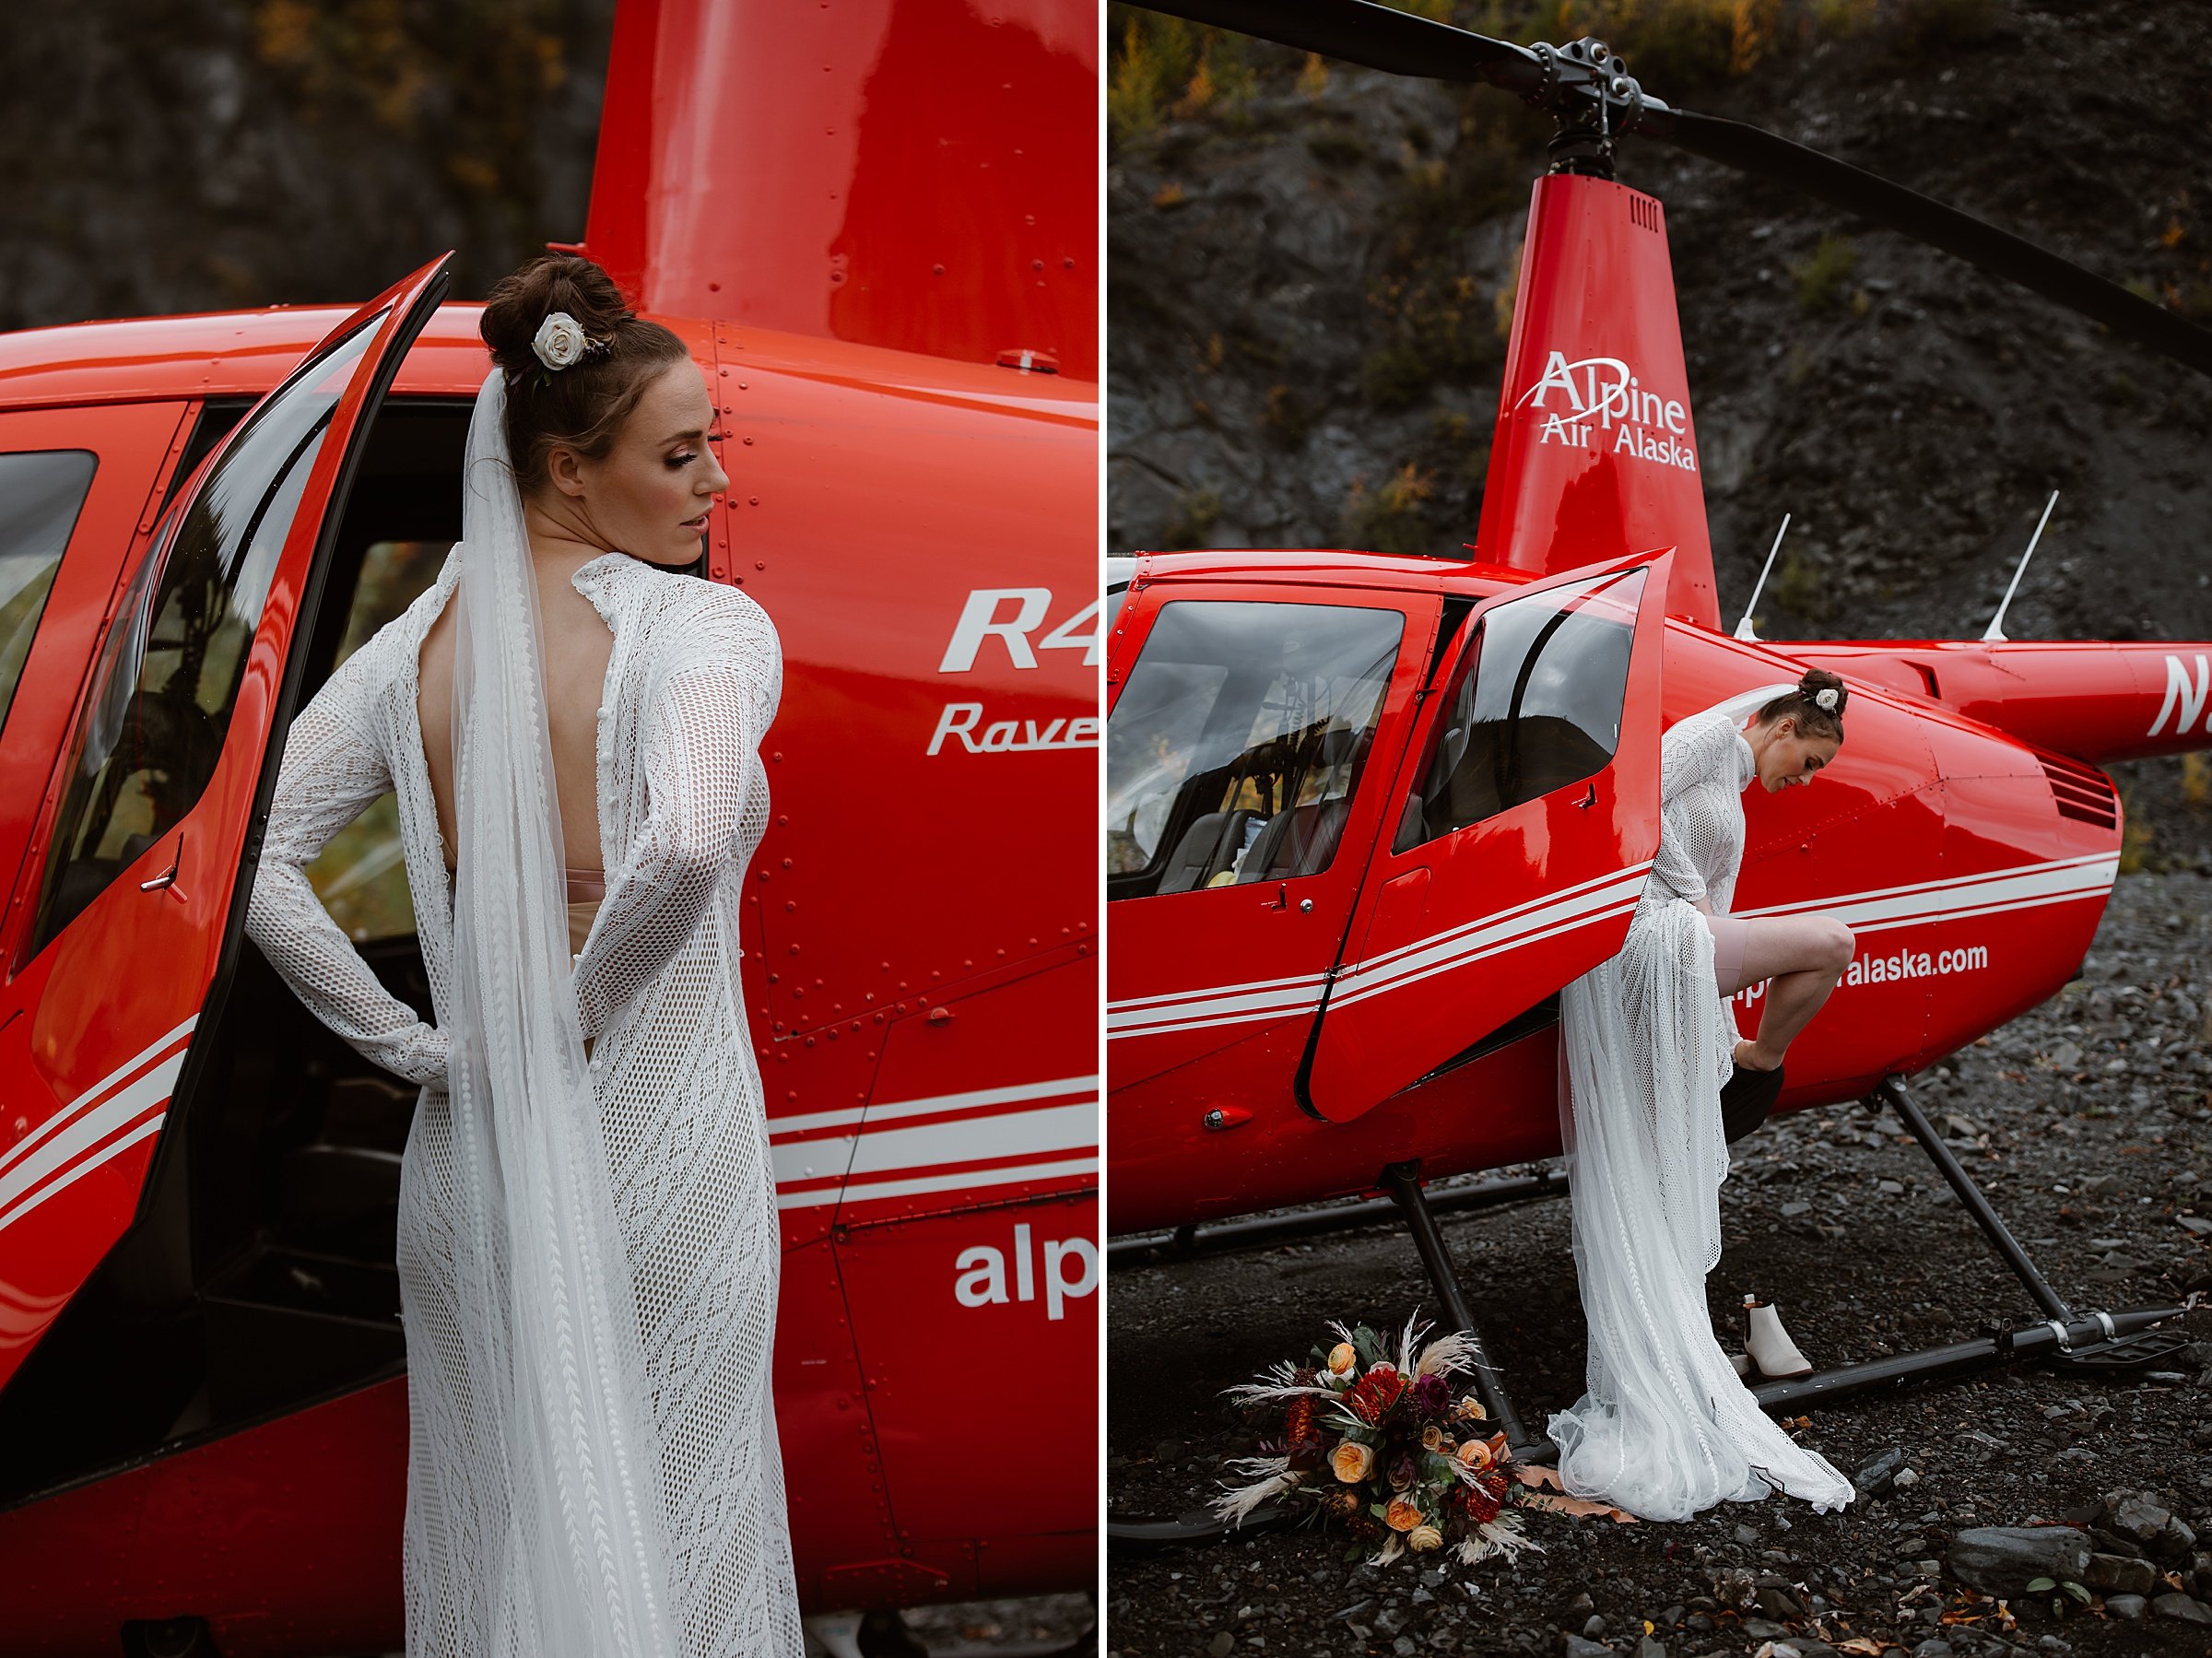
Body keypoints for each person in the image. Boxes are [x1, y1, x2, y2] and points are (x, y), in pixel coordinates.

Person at [244, 252, 804, 1656]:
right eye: (679, 456)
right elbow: (680, 843)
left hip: (468, 1163)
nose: (711, 486)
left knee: (497, 1541)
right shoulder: (703, 627)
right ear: (566, 470)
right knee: (693, 1546)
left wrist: (412, 1047)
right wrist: (580, 1014)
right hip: (658, 1156)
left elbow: (248, 861)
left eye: (710, 451)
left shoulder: (411, 649)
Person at [1545, 669, 1858, 1523]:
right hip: (1648, 934)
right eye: (1812, 756)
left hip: (1666, 948)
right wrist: (1665, 893)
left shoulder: (1737, 786)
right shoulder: (1708, 743)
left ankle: (1658, 1328)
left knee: (1652, 1158)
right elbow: (1620, 794)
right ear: (1780, 723)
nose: (1808, 775)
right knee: (1832, 941)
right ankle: (1763, 1055)